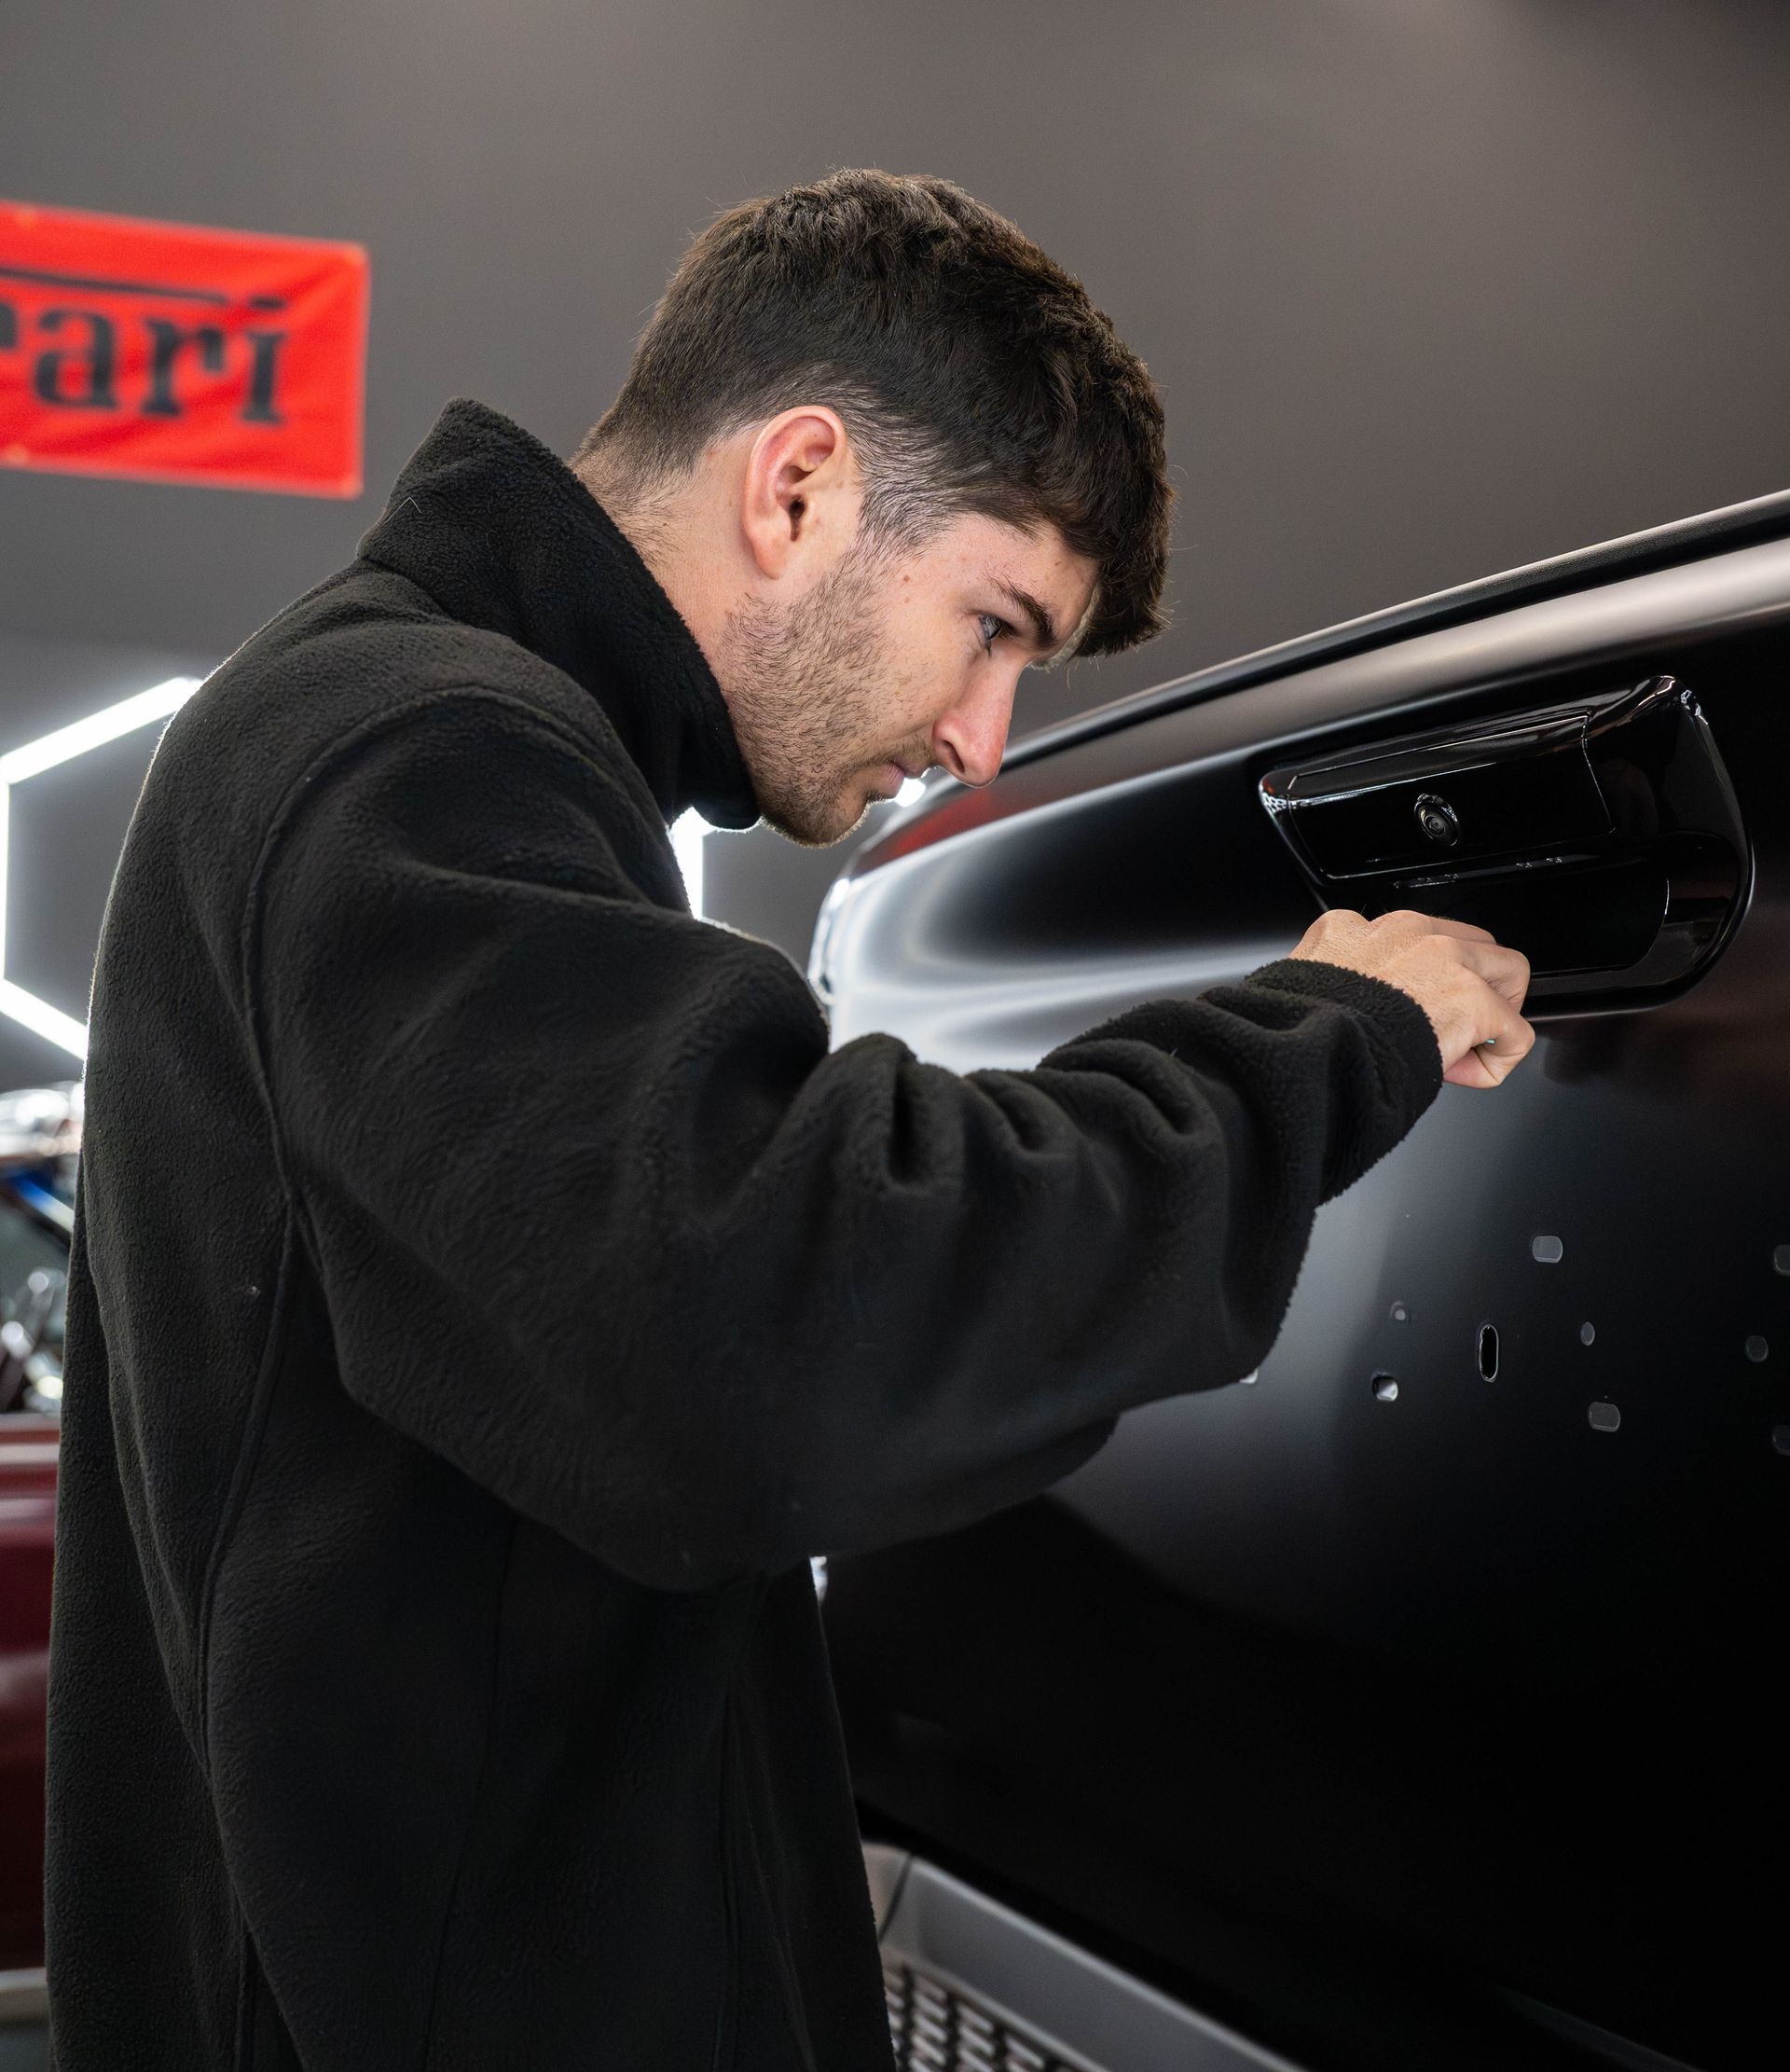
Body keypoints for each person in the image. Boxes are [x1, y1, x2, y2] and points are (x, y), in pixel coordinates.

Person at [44, 170, 1532, 2070]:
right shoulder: (414, 754)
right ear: (801, 482)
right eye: (995, 623)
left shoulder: (421, 743)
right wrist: (1333, 1036)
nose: (980, 737)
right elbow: (769, 1320)